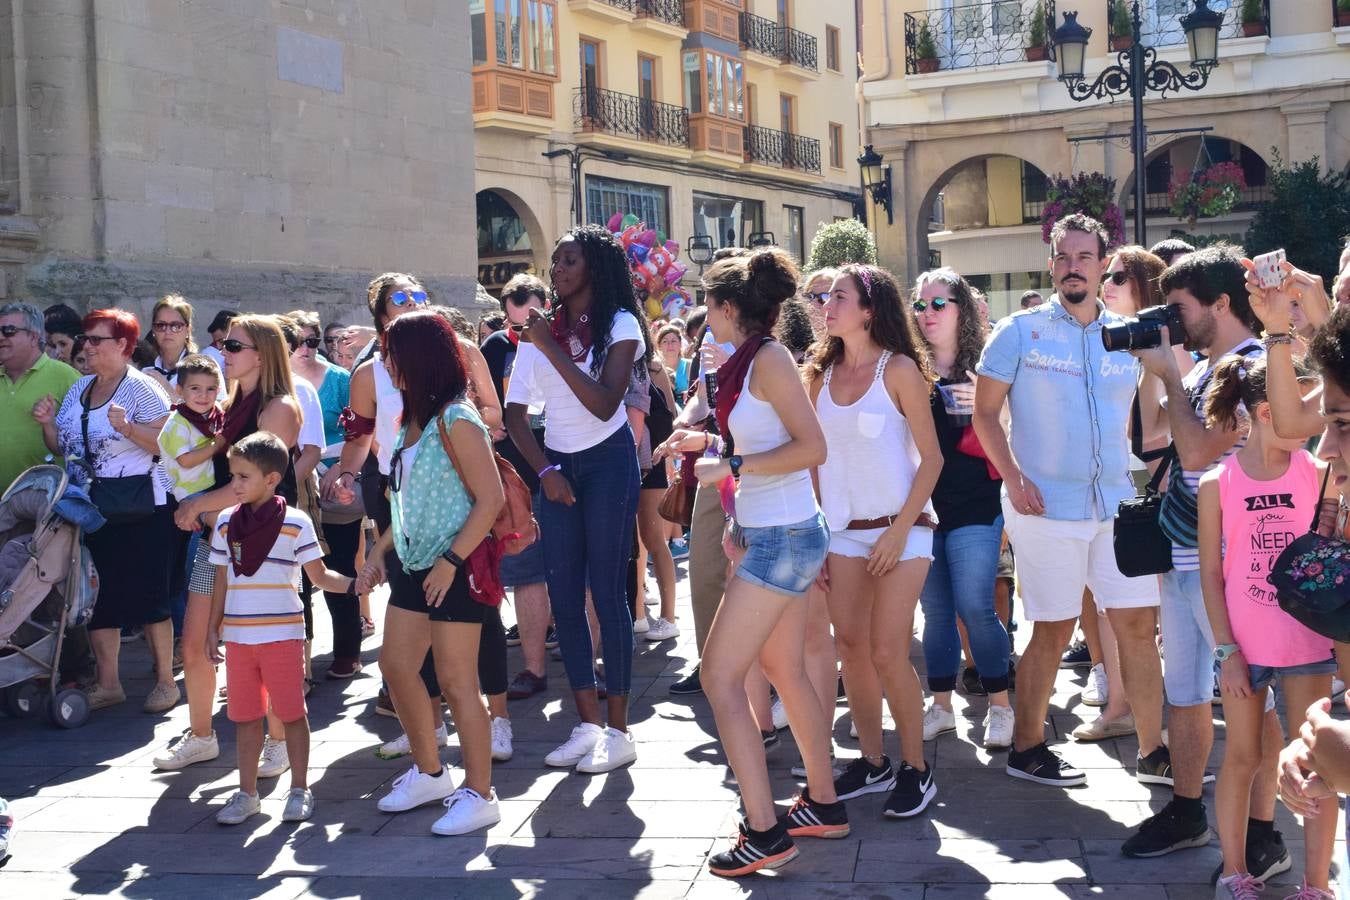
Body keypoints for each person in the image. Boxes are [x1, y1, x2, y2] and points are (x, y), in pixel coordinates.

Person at [661, 247, 843, 876]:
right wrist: (709, 441)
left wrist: (731, 465)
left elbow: (811, 445)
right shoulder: (752, 361)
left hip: (781, 538)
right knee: (785, 672)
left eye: (705, 301)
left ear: (729, 308)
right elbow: (767, 438)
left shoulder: (766, 359)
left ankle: (763, 832)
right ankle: (823, 801)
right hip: (778, 533)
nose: (699, 311)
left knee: (720, 679)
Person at [972, 214, 1164, 792]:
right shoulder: (1019, 331)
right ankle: (1028, 747)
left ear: (1104, 264)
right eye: (1062, 257)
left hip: (1115, 509)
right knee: (1053, 630)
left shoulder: (1127, 335)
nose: (1072, 266)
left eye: (1084, 257)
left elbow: (1150, 422)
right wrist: (1013, 478)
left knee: (1136, 627)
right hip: (1043, 509)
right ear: (1051, 265)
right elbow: (983, 415)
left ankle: (1155, 752)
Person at [1129, 244, 1282, 860]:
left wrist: (1168, 373)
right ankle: (1187, 810)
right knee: (1185, 693)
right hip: (1184, 556)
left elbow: (1195, 453)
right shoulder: (1200, 366)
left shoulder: (1248, 367)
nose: (1170, 320)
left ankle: (1265, 832)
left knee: (1249, 698)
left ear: (1222, 304)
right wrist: (1156, 368)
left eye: (1177, 309)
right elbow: (1152, 441)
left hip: (1229, 566)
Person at [504, 225, 646, 773]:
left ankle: (619, 730)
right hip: (559, 469)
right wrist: (544, 470)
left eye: (569, 261)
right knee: (564, 599)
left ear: (595, 269)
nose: (557, 270)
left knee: (608, 596)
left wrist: (548, 346)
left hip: (609, 464)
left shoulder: (620, 324)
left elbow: (605, 405)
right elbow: (516, 415)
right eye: (555, 262)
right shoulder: (543, 332)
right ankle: (586, 725)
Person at [358, 311, 505, 835]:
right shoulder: (411, 420)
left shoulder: (457, 419)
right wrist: (378, 553)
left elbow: (491, 499)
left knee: (457, 682)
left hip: (456, 568)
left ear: (417, 359)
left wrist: (450, 561)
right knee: (397, 668)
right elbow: (405, 500)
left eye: (391, 353)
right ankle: (430, 772)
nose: (385, 363)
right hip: (415, 566)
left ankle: (480, 793)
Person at [806, 262, 944, 818]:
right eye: (824, 297)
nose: (826, 305)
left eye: (838, 296)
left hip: (905, 529)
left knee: (888, 651)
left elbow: (932, 460)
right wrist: (817, 531)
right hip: (840, 533)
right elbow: (813, 461)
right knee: (851, 651)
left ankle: (917, 767)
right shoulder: (815, 374)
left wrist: (900, 529)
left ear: (868, 309)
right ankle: (872, 761)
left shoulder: (901, 370)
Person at [1199, 356, 1339, 900]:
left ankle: (1315, 884)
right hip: (1245, 646)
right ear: (1266, 411)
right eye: (1302, 409)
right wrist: (1226, 650)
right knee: (1242, 756)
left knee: (1315, 760)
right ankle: (1235, 874)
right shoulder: (1219, 481)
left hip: (1308, 640)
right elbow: (1210, 573)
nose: (1314, 424)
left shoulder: (1318, 471)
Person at [164, 315, 304, 775]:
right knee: (195, 644)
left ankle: (279, 742)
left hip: (266, 543)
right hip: (219, 536)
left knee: (262, 647)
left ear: (262, 353)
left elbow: (257, 485)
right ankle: (202, 736)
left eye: (234, 345)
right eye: (224, 343)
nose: (223, 351)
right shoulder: (230, 400)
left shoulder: (278, 406)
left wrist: (197, 505)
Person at [208, 431, 356, 825]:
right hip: (239, 639)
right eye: (232, 475)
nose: (234, 485)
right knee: (244, 717)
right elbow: (221, 580)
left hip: (283, 637)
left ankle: (300, 789)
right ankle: (246, 793)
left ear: (272, 479)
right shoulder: (224, 523)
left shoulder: (296, 522)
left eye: (243, 476)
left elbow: (320, 576)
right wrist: (213, 629)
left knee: (292, 714)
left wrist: (356, 584)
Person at [35, 308, 177, 713]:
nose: (87, 346)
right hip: (91, 510)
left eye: (96, 339)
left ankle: (166, 682)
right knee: (98, 596)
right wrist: (47, 424)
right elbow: (64, 445)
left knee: (151, 598)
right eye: (86, 339)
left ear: (123, 345)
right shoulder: (81, 388)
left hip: (144, 508)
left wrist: (129, 429)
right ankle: (110, 683)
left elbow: (170, 444)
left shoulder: (142, 389)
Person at [909, 270, 1013, 750]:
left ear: (961, 310)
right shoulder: (907, 368)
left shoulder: (989, 366)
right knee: (936, 611)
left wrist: (992, 412)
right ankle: (942, 707)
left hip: (976, 501)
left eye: (938, 304)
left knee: (976, 606)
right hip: (924, 507)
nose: (927, 313)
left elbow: (1018, 435)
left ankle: (1000, 707)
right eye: (920, 305)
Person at [482, 273, 554, 701]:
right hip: (517, 478)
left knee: (576, 574)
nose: (522, 333)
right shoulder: (495, 348)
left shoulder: (564, 339)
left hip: (565, 465)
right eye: (515, 326)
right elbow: (488, 405)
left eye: (531, 321)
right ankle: (532, 668)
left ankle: (589, 661)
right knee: (524, 573)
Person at [286, 309, 360, 679]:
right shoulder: (277, 383)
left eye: (313, 341)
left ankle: (347, 649)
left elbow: (360, 428)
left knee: (339, 562)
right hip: (294, 479)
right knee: (296, 574)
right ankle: (302, 659)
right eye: (298, 341)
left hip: (336, 476)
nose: (306, 348)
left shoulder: (341, 379)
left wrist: (341, 469)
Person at [0, 302, 79, 492]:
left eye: (9, 330)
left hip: (42, 506)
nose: (1, 337)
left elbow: (83, 443)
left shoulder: (66, 377)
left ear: (34, 337)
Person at [143, 294, 225, 394]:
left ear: (188, 330)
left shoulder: (206, 368)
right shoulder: (145, 372)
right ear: (153, 330)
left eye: (176, 326)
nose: (168, 331)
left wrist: (167, 388)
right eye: (161, 325)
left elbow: (218, 408)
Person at [655, 323, 690, 400]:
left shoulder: (690, 365)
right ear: (659, 346)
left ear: (680, 344)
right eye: (665, 341)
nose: (670, 345)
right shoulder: (655, 368)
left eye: (673, 341)